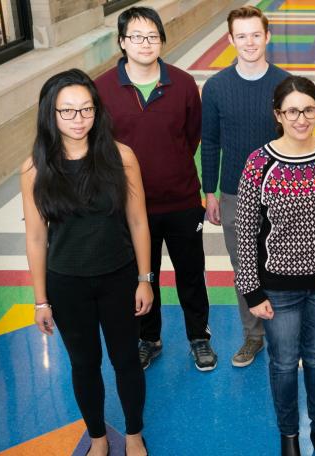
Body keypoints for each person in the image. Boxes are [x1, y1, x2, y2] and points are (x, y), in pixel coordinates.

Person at [20, 69, 152, 456]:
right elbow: (36, 237)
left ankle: (132, 433)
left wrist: (144, 278)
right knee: (84, 364)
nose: (79, 119)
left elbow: (138, 220)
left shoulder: (121, 156)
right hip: (67, 284)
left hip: (119, 276)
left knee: (126, 360)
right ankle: (97, 436)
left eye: (86, 109)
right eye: (67, 111)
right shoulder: (34, 169)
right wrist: (41, 300)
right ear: (50, 115)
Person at [236, 76, 315, 456]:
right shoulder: (260, 163)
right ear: (278, 114)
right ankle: (288, 434)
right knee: (285, 362)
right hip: (279, 289)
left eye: (309, 109)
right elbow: (246, 232)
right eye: (292, 111)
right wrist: (252, 291)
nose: (301, 118)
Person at [95, 7, 217, 371]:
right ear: (121, 42)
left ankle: (199, 337)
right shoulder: (102, 89)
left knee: (191, 273)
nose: (145, 43)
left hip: (180, 201)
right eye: (136, 36)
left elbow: (192, 135)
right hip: (129, 207)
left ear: (162, 40)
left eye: (152, 36)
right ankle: (149, 337)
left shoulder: (181, 84)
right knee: (141, 276)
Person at [201, 5, 289, 368]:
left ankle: (284, 334)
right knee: (246, 269)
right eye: (242, 36)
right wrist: (210, 192)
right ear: (230, 40)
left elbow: (297, 139)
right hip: (236, 194)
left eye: (256, 34)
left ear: (267, 37)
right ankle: (253, 336)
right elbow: (210, 142)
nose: (249, 42)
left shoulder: (284, 84)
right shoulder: (217, 87)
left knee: (284, 265)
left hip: (281, 194)